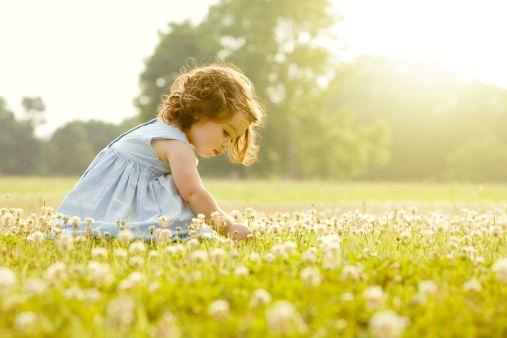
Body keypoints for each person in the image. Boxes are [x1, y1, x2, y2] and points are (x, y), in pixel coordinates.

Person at [56, 63, 264, 242]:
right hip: (120, 203)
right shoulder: (178, 147)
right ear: (200, 111)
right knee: (179, 204)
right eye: (226, 132)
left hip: (96, 206)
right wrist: (227, 227)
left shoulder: (159, 128)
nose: (227, 143)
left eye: (232, 138)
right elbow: (193, 194)